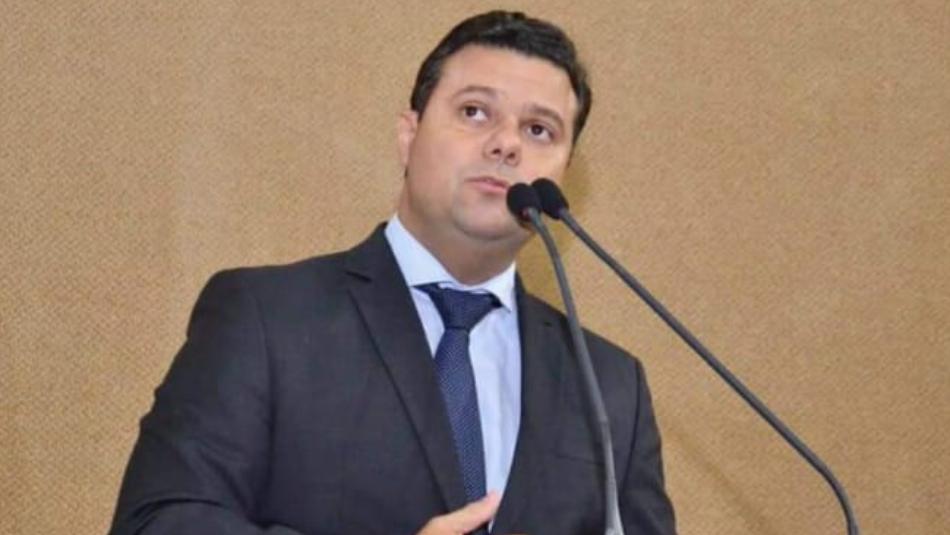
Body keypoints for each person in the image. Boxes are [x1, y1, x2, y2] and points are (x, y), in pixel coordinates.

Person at [110, 10, 676, 535]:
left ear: (563, 175)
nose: (506, 144)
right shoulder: (266, 318)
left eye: (539, 131)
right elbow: (157, 522)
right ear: (409, 136)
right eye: (474, 112)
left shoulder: (610, 386)